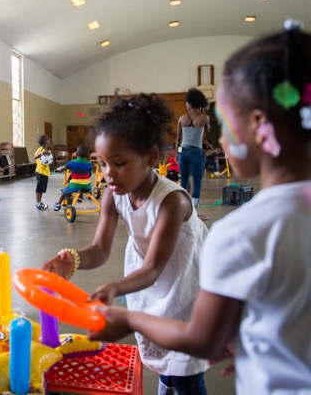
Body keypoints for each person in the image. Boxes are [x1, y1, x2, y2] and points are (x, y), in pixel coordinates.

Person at [87, 22, 311, 395]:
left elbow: (201, 338)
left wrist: (126, 317)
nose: (220, 137)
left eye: (225, 121)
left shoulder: (242, 233)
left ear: (257, 127)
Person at [43, 93, 210, 394]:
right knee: (162, 360)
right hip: (148, 276)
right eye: (102, 163)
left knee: (184, 366)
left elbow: (154, 268)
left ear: (151, 157)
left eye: (119, 163)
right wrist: (74, 258)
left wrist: (115, 288)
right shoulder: (113, 194)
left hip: (184, 281)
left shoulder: (171, 201)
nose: (108, 173)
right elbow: (100, 250)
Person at [176, 88, 210, 220]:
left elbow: (178, 139)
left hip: (183, 151)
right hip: (196, 152)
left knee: (183, 182)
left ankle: (181, 210)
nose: (186, 104)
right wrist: (202, 112)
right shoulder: (204, 118)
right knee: (197, 183)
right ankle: (194, 213)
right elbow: (208, 129)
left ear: (190, 103)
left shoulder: (182, 118)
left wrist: (177, 154)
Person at [53, 144, 92, 211]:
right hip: (87, 186)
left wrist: (57, 170)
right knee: (82, 184)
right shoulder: (89, 163)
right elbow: (90, 175)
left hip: (75, 185)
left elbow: (62, 168)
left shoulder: (72, 162)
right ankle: (80, 197)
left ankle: (58, 204)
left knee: (65, 191)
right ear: (87, 155)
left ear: (76, 154)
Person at [33, 134, 52, 210]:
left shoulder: (46, 150)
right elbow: (35, 157)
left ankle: (39, 202)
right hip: (40, 172)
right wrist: (41, 153)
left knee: (42, 189)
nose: (50, 139)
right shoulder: (40, 149)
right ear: (45, 141)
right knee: (39, 189)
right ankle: (37, 203)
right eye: (48, 138)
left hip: (45, 173)